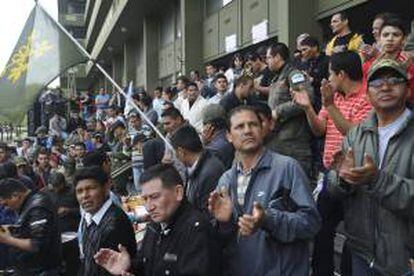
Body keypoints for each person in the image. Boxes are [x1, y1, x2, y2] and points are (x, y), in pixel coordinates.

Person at [208, 106, 320, 275]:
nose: (247, 131)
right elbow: (221, 240)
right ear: (229, 136)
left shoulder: (287, 168)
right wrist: (224, 223)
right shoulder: (225, 181)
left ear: (262, 129)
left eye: (253, 124)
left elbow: (311, 223)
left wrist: (268, 219)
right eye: (239, 127)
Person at [327, 59, 414, 275]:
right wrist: (342, 179)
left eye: (394, 80)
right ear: (367, 94)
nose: (385, 87)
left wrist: (376, 180)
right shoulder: (356, 134)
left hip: (404, 258)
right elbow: (334, 188)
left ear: (408, 89)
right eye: (376, 83)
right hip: (362, 254)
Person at [293, 51, 372, 276]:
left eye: (330, 74)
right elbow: (320, 129)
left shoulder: (367, 97)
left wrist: (329, 104)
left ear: (342, 74)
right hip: (331, 175)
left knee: (354, 235)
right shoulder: (334, 96)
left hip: (356, 176)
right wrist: (308, 107)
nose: (328, 79)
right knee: (322, 227)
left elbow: (354, 134)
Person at [94, 164, 219, 275]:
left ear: (178, 192)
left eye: (154, 197)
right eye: (145, 199)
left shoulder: (197, 230)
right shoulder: (155, 225)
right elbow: (147, 266)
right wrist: (129, 266)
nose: (149, 207)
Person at [74, 166, 136, 276]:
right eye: (79, 191)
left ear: (106, 187)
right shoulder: (88, 218)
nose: (84, 196)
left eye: (91, 188)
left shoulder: (116, 223)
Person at [266, 42, 315, 177]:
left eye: (268, 57)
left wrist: (278, 111)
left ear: (277, 57)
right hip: (277, 142)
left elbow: (307, 98)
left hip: (294, 144)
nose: (267, 62)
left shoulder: (294, 75)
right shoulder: (276, 78)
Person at [0, 178, 61, 275]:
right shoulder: (29, 203)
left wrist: (7, 239)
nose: (7, 208)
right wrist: (12, 228)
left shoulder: (37, 208)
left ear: (16, 195)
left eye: (6, 204)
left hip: (40, 270)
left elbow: (38, 245)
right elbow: (29, 228)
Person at [170, 124, 226, 215]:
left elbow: (207, 214)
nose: (174, 158)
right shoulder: (193, 168)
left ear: (181, 152)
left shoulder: (210, 172)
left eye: (174, 153)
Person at [363, 15, 414, 103]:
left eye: (396, 35)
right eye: (385, 35)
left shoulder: (410, 65)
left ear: (404, 40)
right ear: (379, 38)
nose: (390, 39)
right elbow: (367, 96)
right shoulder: (368, 66)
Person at [201, 104, 234, 169]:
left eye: (204, 124)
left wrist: (204, 144)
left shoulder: (213, 148)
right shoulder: (229, 135)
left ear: (209, 126)